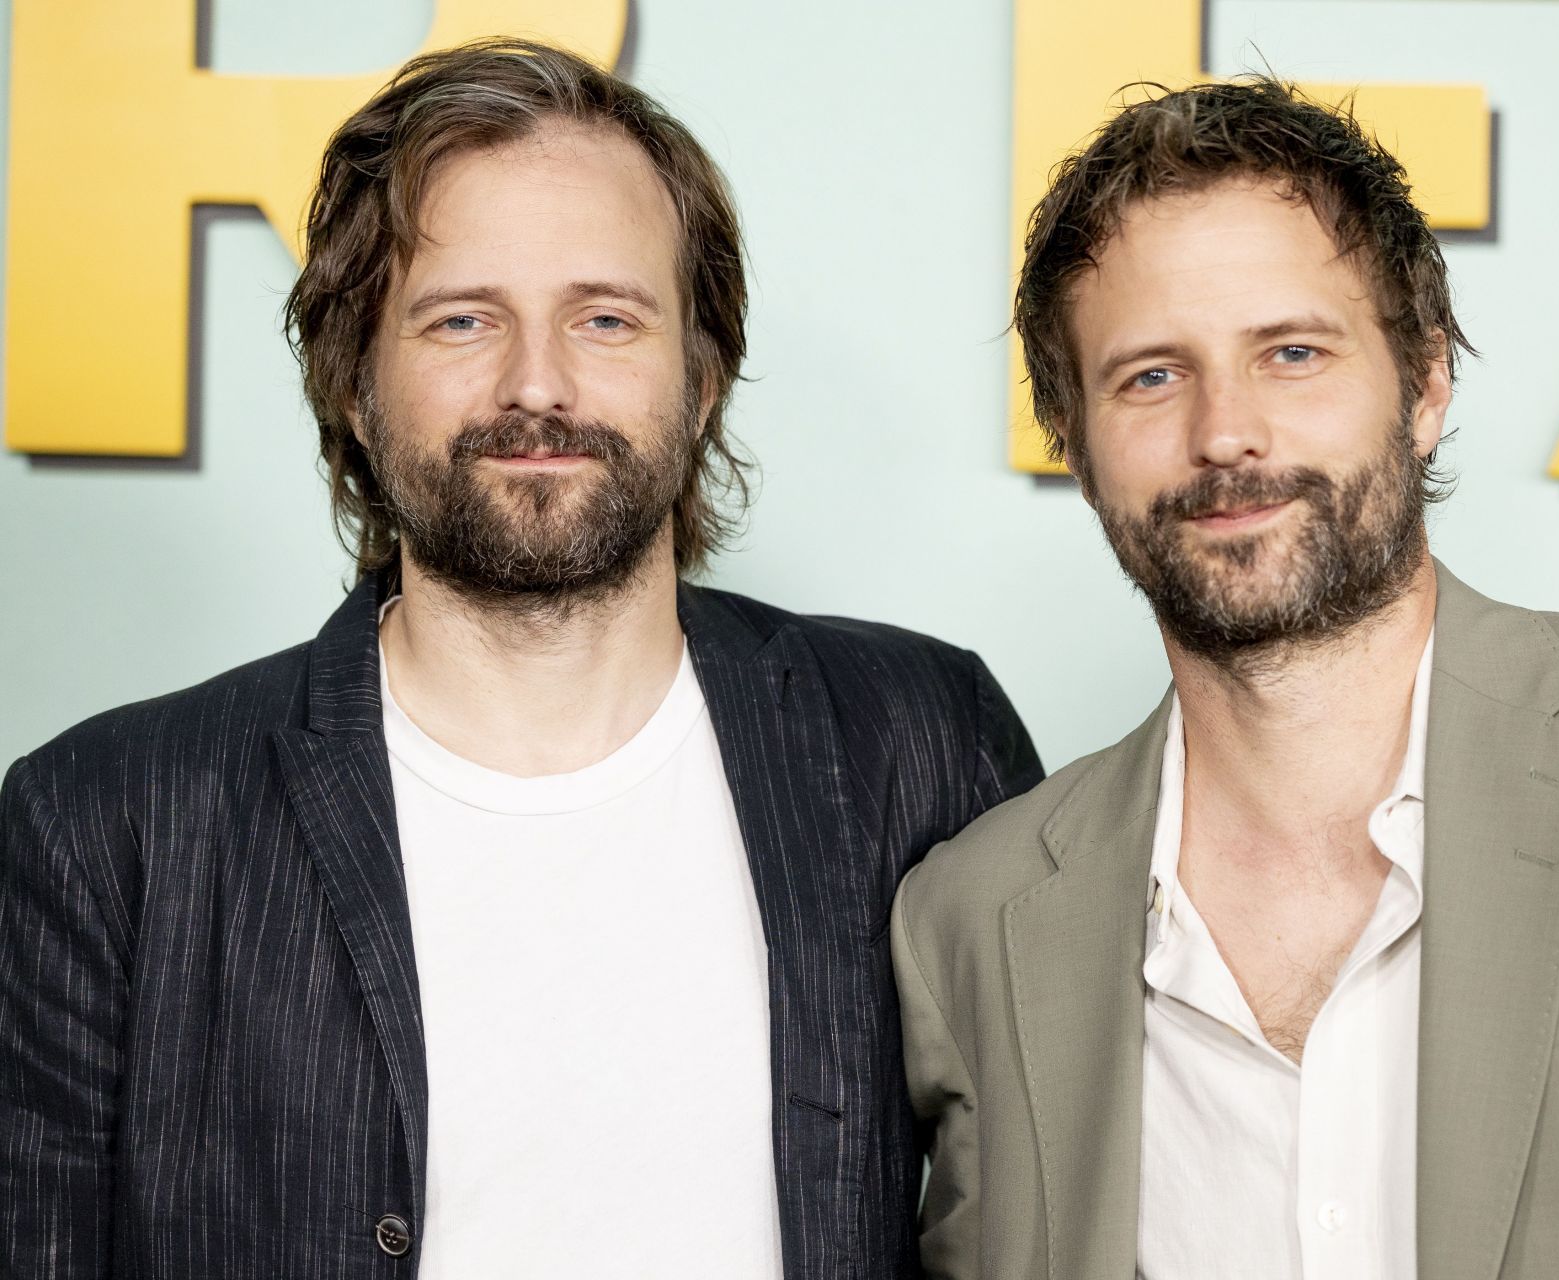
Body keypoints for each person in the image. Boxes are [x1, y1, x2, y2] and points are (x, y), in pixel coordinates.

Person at [0, 40, 1040, 1279]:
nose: (536, 383)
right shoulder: (105, 820)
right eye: (461, 318)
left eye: (605, 317)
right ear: (353, 380)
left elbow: (1033, 1206)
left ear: (701, 374)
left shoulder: (920, 737)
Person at [893, 77, 1559, 1280]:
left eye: (1292, 351)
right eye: (1152, 376)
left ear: (1426, 384)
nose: (1228, 431)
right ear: (1075, 441)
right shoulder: (970, 919)